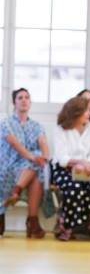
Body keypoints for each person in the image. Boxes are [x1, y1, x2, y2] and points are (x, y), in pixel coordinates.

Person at [0, 88, 49, 239]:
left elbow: (43, 143)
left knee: (39, 167)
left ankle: (16, 192)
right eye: (20, 97)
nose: (24, 100)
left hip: (28, 167)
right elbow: (16, 145)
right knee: (35, 162)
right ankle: (32, 223)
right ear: (14, 102)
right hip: (8, 165)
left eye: (27, 97)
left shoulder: (36, 126)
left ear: (30, 102)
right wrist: (36, 158)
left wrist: (45, 158)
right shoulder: (6, 123)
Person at [52, 96, 90, 241]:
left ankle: (76, 224)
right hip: (64, 169)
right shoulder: (60, 130)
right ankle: (68, 226)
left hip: (86, 169)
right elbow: (61, 158)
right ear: (76, 112)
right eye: (87, 111)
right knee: (73, 188)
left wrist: (89, 165)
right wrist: (80, 162)